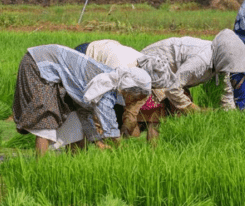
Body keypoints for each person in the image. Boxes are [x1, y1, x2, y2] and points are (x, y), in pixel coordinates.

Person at [12, 44, 151, 156]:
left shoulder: (108, 80)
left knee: (75, 121)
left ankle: (74, 162)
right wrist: (121, 152)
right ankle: (39, 168)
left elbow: (84, 113)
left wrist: (97, 142)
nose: (133, 101)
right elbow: (110, 129)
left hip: (52, 71)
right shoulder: (106, 88)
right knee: (47, 120)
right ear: (129, 90)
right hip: (38, 63)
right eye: (135, 97)